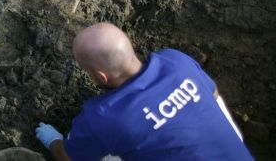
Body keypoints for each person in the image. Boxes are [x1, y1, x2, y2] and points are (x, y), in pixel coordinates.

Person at [35, 22, 254, 160]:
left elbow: (69, 158)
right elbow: (214, 99)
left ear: (101, 76)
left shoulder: (104, 117)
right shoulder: (176, 61)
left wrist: (54, 141)